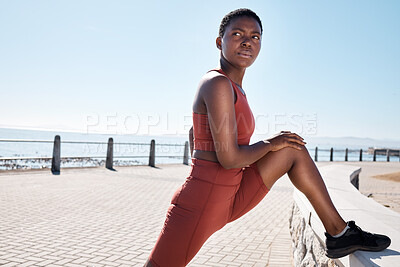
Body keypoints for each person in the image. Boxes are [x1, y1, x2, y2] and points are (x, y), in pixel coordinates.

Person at [144, 8, 391, 267]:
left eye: (255, 36)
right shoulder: (216, 83)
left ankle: (340, 233)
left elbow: (196, 133)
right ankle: (340, 232)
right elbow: (228, 160)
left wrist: (270, 147)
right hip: (202, 203)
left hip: (231, 194)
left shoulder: (234, 87)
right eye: (237, 34)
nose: (247, 41)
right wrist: (270, 143)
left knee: (292, 149)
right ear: (220, 42)